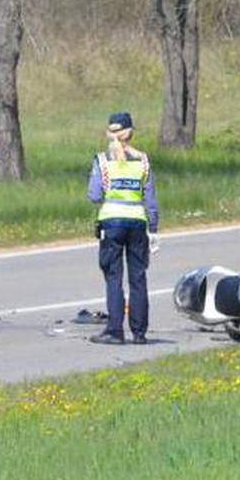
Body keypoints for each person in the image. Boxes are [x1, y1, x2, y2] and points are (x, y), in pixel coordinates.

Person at [87, 112, 159, 345]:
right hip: (138, 222)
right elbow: (150, 199)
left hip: (111, 222)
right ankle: (139, 332)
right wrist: (153, 228)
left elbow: (94, 195)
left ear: (109, 133)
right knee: (138, 278)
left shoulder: (102, 160)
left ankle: (115, 330)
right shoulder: (143, 161)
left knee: (113, 277)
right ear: (131, 133)